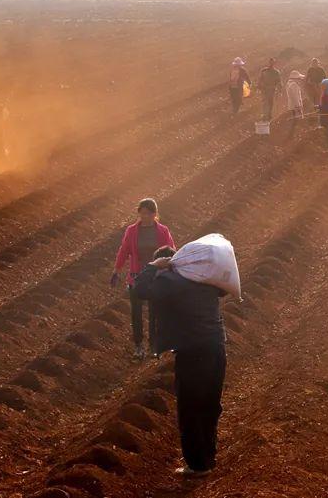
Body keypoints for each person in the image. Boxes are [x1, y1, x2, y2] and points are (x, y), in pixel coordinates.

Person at [133, 248, 226, 477]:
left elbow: (139, 290)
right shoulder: (204, 277)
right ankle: (208, 458)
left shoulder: (170, 281)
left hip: (193, 352)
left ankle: (197, 465)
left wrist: (153, 266)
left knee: (190, 408)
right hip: (217, 346)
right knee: (209, 405)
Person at [111, 199, 176, 358]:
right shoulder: (132, 231)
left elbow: (171, 251)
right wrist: (116, 270)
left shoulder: (162, 231)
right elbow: (124, 250)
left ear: (155, 214)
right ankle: (138, 345)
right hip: (136, 276)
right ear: (139, 213)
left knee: (155, 311)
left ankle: (154, 344)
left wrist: (175, 269)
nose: (145, 216)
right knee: (136, 312)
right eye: (143, 213)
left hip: (156, 276)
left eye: (149, 213)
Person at [305, 58, 327, 126]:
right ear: (312, 64)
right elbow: (307, 78)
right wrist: (309, 83)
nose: (314, 65)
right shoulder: (310, 69)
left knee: (318, 100)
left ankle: (318, 114)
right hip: (311, 86)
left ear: (318, 63)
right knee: (312, 100)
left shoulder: (321, 69)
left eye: (316, 63)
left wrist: (321, 84)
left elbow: (325, 78)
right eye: (313, 63)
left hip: (319, 86)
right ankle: (312, 115)